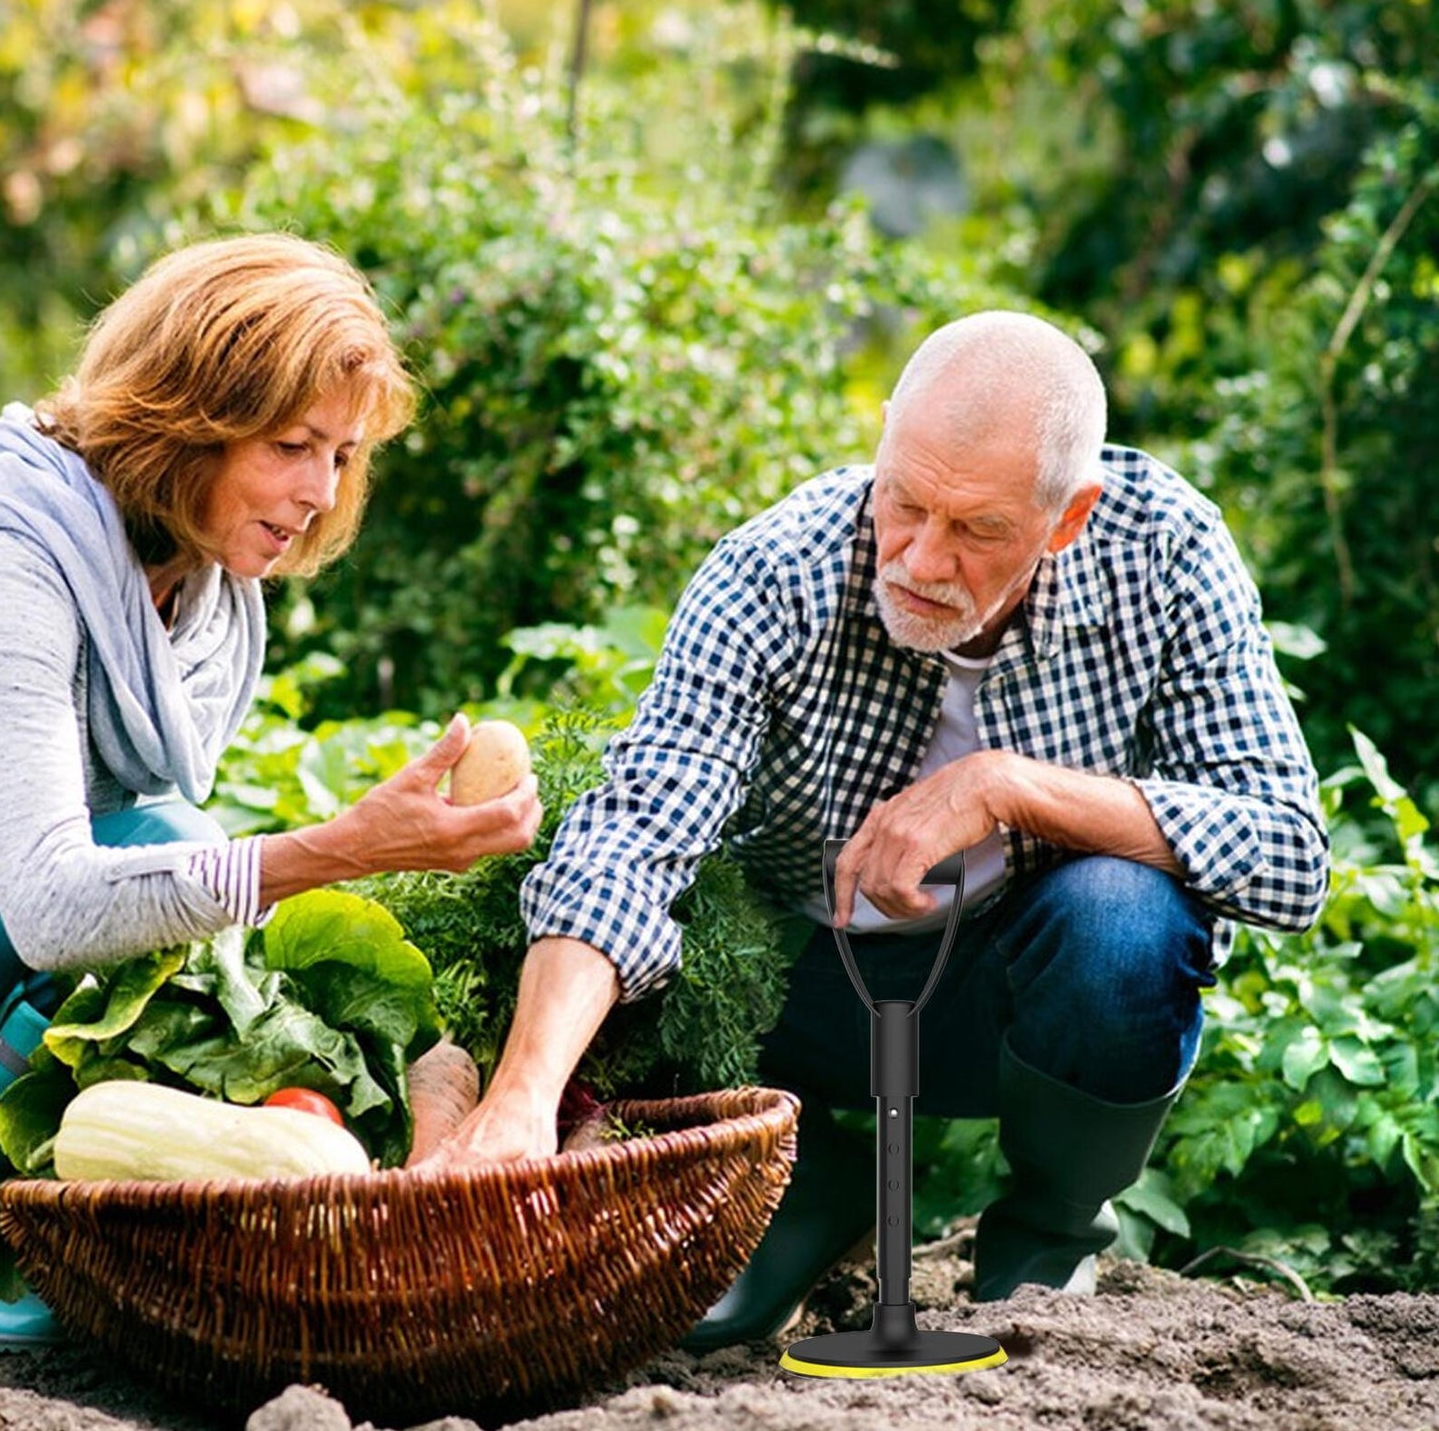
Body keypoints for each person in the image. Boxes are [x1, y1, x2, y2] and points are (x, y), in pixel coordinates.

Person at [422, 310, 1328, 1345]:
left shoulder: (1159, 548)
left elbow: (1287, 852)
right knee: (634, 970)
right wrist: (522, 1098)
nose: (920, 558)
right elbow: (633, 835)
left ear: (1065, 516)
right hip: (793, 992)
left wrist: (1003, 785)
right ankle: (802, 1185)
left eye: (977, 529)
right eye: (903, 501)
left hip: (1018, 998)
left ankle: (1044, 1239)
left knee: (1123, 914)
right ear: (886, 434)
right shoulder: (775, 572)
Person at [0, 233, 542, 1342]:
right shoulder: (20, 551)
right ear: (181, 419)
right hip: (22, 920)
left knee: (208, 903)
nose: (318, 491)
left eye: (340, 453)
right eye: (291, 444)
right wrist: (345, 847)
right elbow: (52, 902)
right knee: (171, 838)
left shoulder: (207, 592)